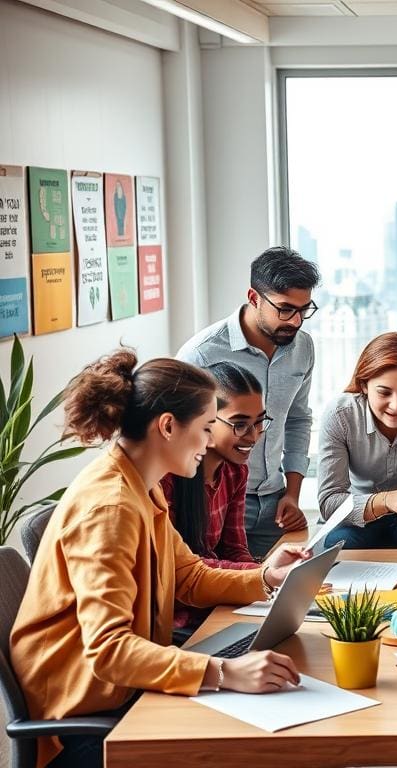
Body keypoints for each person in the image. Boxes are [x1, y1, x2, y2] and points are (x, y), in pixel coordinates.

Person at [10, 350, 311, 768]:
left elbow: (187, 575)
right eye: (207, 428)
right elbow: (110, 649)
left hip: (123, 693)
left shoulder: (140, 484)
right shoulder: (110, 507)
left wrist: (266, 577)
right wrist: (224, 673)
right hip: (80, 722)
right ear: (168, 427)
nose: (210, 442)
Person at [178, 246, 321, 558]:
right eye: (285, 309)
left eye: (304, 309)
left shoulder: (303, 348)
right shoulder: (201, 355)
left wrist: (293, 493)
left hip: (277, 505)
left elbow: (297, 419)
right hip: (215, 504)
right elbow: (180, 435)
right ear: (254, 298)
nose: (296, 321)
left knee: (275, 592)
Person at [160, 362, 268, 639]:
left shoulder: (235, 471)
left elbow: (234, 549)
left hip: (218, 603)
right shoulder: (165, 481)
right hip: (179, 619)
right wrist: (263, 575)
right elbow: (182, 573)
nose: (254, 436)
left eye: (259, 422)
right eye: (240, 424)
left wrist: (263, 576)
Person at [317, 332, 397, 549]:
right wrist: (386, 500)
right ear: (364, 385)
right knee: (336, 542)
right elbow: (329, 502)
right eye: (384, 393)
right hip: (361, 518)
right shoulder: (341, 415)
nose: (396, 405)